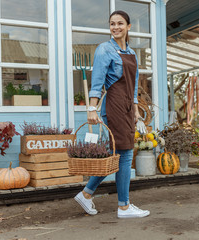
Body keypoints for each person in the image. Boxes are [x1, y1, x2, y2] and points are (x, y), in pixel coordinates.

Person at [74, 10, 149, 219]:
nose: (115, 27)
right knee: (124, 155)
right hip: (113, 106)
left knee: (115, 155)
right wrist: (92, 108)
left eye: (120, 23)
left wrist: (136, 113)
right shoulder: (104, 49)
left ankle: (86, 194)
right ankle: (123, 207)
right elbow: (97, 80)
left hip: (126, 107)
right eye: (112, 24)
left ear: (128, 26)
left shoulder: (132, 53)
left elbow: (133, 87)